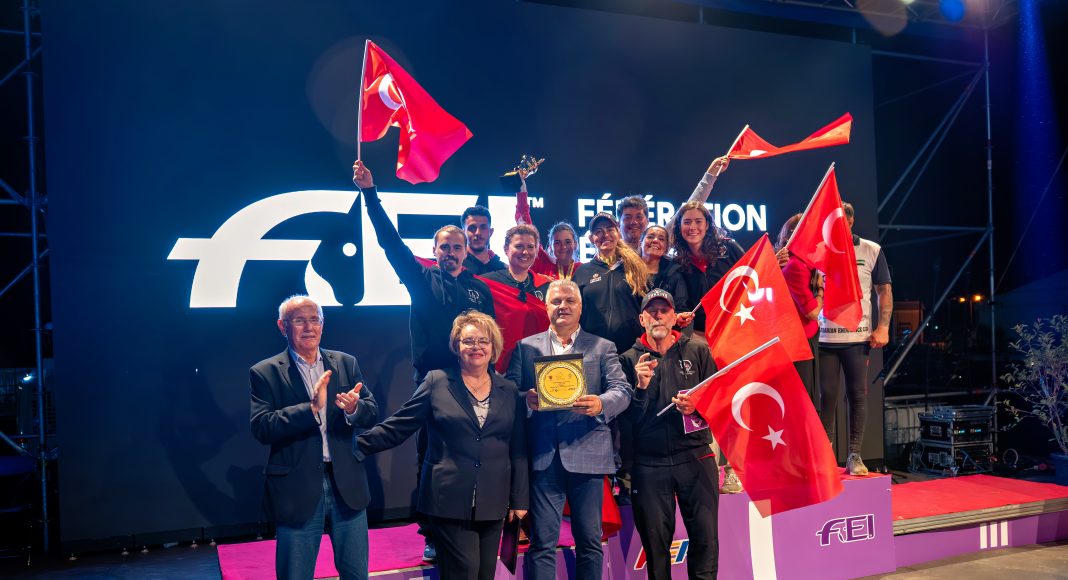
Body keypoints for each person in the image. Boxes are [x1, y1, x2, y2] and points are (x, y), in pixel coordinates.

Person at [353, 160, 495, 560]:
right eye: (444, 247)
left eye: (456, 247)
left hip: (475, 384)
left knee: (474, 455)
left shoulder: (480, 290)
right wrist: (370, 193)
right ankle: (431, 532)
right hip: (433, 383)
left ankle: (474, 519)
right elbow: (389, 241)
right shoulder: (420, 278)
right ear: (434, 251)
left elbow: (491, 338)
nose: (450, 252)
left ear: (466, 251)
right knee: (431, 456)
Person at [354, 312, 528, 580]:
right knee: (464, 571)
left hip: (493, 501)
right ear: (456, 345)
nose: (476, 347)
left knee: (485, 574)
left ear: (494, 346)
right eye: (468, 341)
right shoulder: (436, 382)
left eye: (483, 341)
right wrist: (353, 446)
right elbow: (399, 426)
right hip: (447, 500)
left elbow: (517, 448)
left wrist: (519, 499)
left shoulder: (509, 389)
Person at [506, 279, 633, 580]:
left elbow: (622, 390)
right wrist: (526, 399)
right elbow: (508, 391)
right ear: (546, 306)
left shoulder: (603, 347)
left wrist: (600, 404)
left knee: (590, 542)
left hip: (589, 453)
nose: (562, 306)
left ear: (580, 307)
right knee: (542, 543)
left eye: (569, 301)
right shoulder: (525, 347)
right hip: (544, 456)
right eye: (556, 301)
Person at [250, 295, 379, 580]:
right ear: (282, 326)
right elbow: (262, 427)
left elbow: (371, 412)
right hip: (297, 488)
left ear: (322, 324)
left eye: (314, 320)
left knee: (357, 574)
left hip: (346, 484)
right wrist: (310, 409)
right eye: (299, 321)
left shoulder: (345, 363)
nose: (309, 327)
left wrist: (354, 408)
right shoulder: (265, 372)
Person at [619, 289, 719, 580]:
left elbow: (718, 403)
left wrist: (697, 408)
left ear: (675, 317)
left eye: (664, 310)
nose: (658, 316)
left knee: (705, 542)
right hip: (649, 465)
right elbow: (627, 421)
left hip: (696, 458)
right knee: (656, 551)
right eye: (652, 311)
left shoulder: (698, 350)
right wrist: (640, 389)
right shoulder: (628, 360)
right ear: (642, 319)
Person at [669, 200, 746, 494]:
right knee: (706, 407)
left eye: (698, 221)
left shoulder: (729, 249)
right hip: (699, 341)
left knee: (732, 405)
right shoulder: (678, 262)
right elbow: (679, 302)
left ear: (708, 224)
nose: (693, 227)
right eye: (687, 222)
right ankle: (710, 470)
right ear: (679, 227)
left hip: (731, 338)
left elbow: (751, 276)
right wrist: (680, 315)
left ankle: (735, 471)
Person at [818, 202, 893, 477]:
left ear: (850, 221)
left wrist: (883, 326)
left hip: (858, 336)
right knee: (827, 395)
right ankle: (825, 456)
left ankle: (854, 455)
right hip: (824, 337)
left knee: (857, 395)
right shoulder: (817, 250)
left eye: (842, 221)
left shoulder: (871, 249)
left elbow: (884, 291)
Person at [572, 212, 650, 355]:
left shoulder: (636, 268)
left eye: (610, 229)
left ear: (618, 233)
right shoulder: (582, 273)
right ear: (591, 238)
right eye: (598, 231)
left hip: (632, 351)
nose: (605, 235)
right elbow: (575, 314)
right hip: (593, 352)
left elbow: (648, 307)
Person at [775, 214, 823, 407]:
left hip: (805, 340)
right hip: (799, 344)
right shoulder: (795, 267)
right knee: (803, 404)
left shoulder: (804, 264)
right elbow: (812, 312)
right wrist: (821, 290)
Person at [480, 223, 551, 302]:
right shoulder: (486, 282)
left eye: (530, 247)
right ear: (506, 249)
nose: (525, 252)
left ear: (536, 251)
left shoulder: (545, 286)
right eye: (519, 246)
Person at [640, 224, 690, 315]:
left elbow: (681, 309)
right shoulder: (626, 271)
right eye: (650, 237)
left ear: (666, 248)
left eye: (661, 239)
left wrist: (679, 317)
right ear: (640, 242)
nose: (655, 240)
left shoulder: (675, 274)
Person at [461, 205, 507, 275]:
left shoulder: (504, 270)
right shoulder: (456, 267)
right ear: (463, 234)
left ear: (491, 232)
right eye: (472, 228)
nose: (478, 233)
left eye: (483, 227)